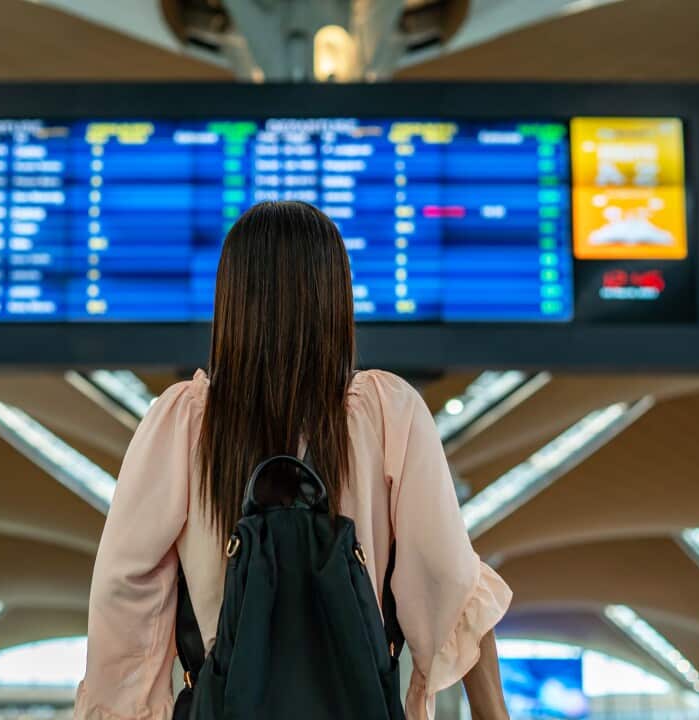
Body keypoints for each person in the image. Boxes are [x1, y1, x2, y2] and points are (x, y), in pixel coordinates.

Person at [76, 201, 513, 720]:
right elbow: (452, 586)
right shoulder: (387, 414)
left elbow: (125, 596)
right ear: (335, 297)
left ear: (233, 299)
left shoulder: (186, 423)